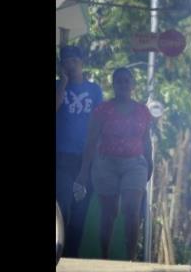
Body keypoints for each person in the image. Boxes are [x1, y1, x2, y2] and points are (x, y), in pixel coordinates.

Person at [75, 67, 153, 260]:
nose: (123, 84)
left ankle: (131, 258)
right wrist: (84, 172)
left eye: (127, 81)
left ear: (133, 85)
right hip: (106, 164)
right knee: (109, 213)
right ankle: (105, 258)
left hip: (135, 164)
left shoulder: (143, 111)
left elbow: (146, 139)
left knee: (132, 210)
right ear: (114, 84)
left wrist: (149, 162)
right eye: (119, 81)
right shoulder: (102, 110)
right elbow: (91, 141)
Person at [56, 45, 103, 257]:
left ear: (82, 62)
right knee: (63, 205)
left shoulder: (94, 90)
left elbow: (99, 124)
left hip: (86, 159)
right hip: (61, 157)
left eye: (74, 60)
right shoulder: (58, 86)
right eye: (65, 60)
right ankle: (61, 251)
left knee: (80, 210)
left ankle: (72, 255)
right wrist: (63, 83)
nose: (70, 64)